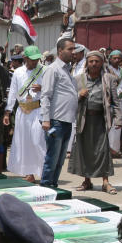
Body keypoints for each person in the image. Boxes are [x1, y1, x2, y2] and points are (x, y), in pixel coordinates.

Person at [71, 50, 122, 195]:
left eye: (97, 61)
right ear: (87, 63)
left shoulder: (109, 78)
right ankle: (87, 180)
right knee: (85, 150)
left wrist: (118, 119)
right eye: (91, 61)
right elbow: (69, 100)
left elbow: (116, 101)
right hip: (84, 120)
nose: (94, 64)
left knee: (103, 150)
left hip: (101, 119)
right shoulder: (78, 79)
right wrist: (78, 95)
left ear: (102, 63)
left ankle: (105, 182)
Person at [39, 38, 79, 188]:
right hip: (55, 120)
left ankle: (53, 186)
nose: (73, 52)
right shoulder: (53, 69)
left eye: (74, 49)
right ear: (60, 50)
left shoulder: (67, 71)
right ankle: (46, 187)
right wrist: (46, 119)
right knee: (52, 158)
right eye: (70, 49)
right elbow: (46, 95)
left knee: (61, 159)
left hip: (67, 121)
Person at [4, 45, 46, 183]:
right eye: (31, 59)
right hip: (22, 111)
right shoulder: (18, 72)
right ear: (25, 58)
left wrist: (42, 88)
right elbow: (13, 92)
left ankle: (44, 171)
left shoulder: (44, 71)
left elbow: (52, 89)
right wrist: (8, 111)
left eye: (36, 59)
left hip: (38, 111)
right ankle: (29, 173)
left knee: (37, 140)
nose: (34, 62)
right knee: (24, 143)